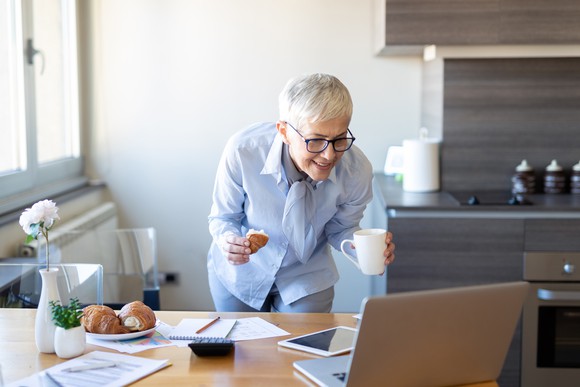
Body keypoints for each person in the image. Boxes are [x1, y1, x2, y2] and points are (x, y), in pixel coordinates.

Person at [207, 73, 395, 313]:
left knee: (306, 349)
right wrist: (229, 242)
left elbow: (340, 228)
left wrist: (361, 248)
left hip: (307, 275)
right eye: (315, 140)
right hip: (242, 272)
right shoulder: (243, 151)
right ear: (284, 132)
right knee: (243, 350)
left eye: (339, 139)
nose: (329, 155)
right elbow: (223, 218)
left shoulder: (357, 169)